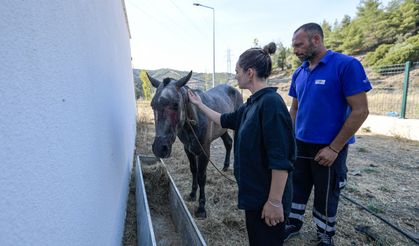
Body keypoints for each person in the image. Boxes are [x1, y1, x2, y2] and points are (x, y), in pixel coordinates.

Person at [188, 42, 295, 245]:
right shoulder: (252, 104)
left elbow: (281, 159)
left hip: (267, 199)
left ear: (250, 73)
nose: (236, 75)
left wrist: (274, 202)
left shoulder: (271, 104)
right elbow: (224, 120)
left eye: (237, 71)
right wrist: (199, 104)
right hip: (255, 195)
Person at [284, 23, 372, 246]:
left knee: (326, 194)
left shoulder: (346, 65)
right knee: (297, 186)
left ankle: (325, 235)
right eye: (293, 46)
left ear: (316, 40)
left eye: (299, 45)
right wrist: (289, 138)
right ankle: (293, 223)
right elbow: (294, 109)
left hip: (330, 148)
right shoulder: (300, 72)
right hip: (300, 145)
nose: (295, 50)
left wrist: (334, 148)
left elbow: (361, 110)